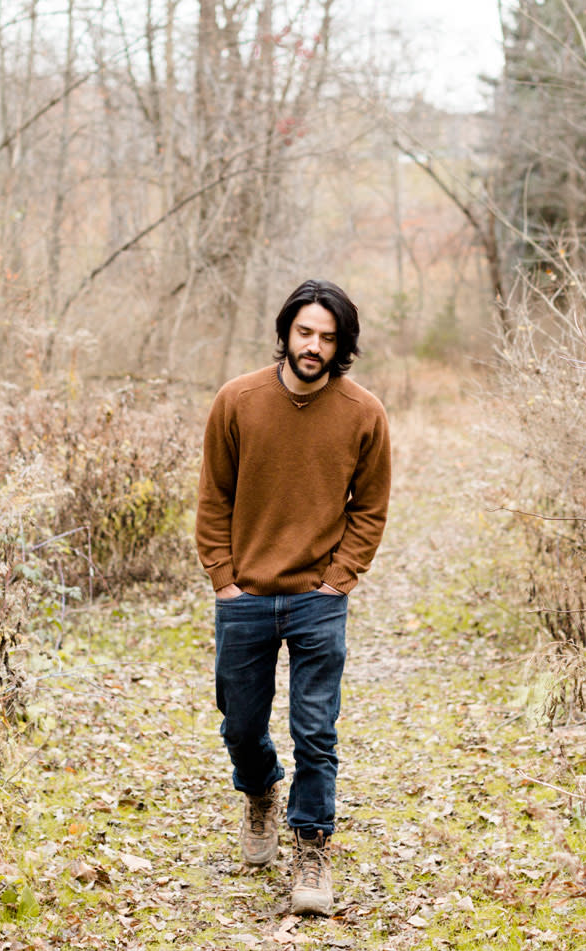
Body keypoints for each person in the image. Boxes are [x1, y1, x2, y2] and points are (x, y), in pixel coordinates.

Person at [195, 278, 391, 916]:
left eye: (328, 338)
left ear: (342, 346)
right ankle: (259, 795)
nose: (314, 346)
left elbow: (371, 509)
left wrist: (340, 578)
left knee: (316, 730)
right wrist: (224, 580)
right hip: (245, 595)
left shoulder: (363, 413)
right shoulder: (237, 401)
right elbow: (212, 498)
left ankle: (311, 847)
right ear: (285, 332)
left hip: (318, 599)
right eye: (305, 332)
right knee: (242, 726)